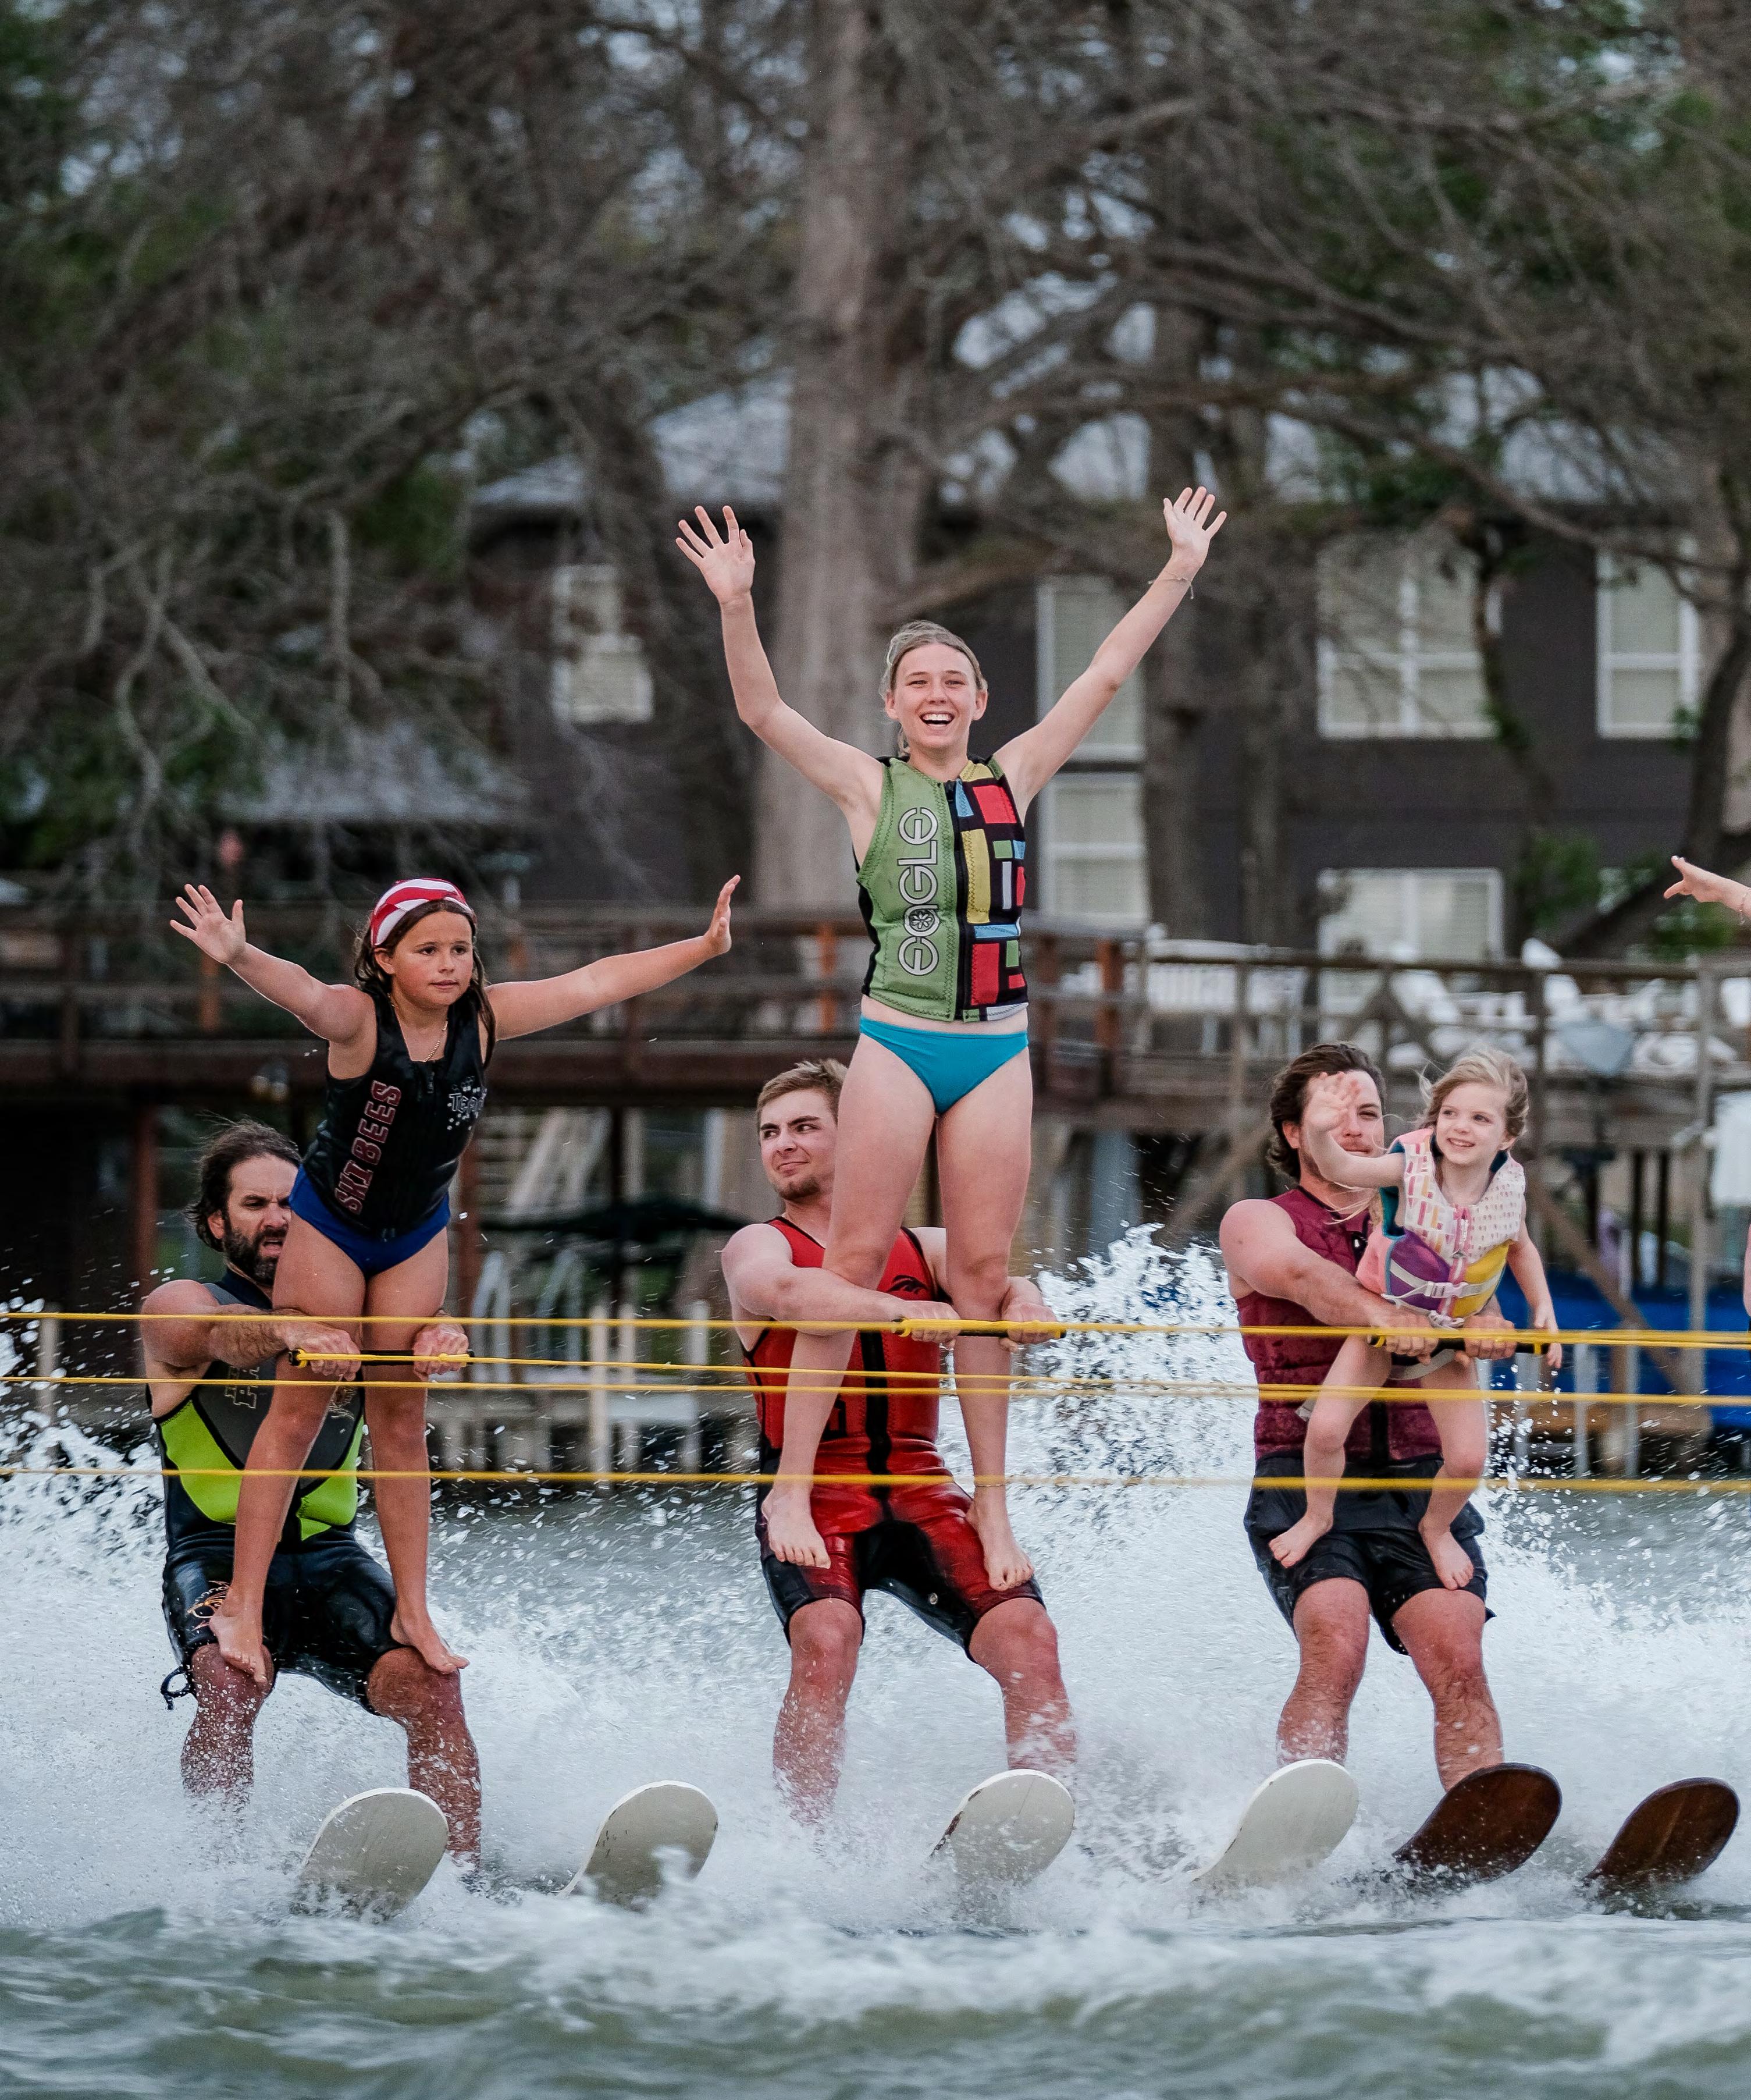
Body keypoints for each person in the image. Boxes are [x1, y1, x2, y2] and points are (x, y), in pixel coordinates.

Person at [678, 489, 1223, 1590]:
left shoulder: (1010, 777)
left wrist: (1177, 567)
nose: (937, 694)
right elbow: (763, 710)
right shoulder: (865, 786)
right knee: (850, 1263)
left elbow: (1104, 675)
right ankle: (791, 1482)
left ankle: (995, 1502)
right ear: (892, 705)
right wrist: (737, 602)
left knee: (979, 1274)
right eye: (917, 681)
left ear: (978, 699)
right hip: (898, 1040)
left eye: (953, 680)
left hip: (995, 1050)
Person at [169, 869, 737, 1686]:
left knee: (402, 1419)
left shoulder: (485, 1019)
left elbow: (595, 982)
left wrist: (703, 947)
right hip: (333, 1225)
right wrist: (238, 954)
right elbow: (303, 993)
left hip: (415, 1231)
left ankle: (412, 1608)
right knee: (300, 1409)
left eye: (461, 949)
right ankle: (246, 1604)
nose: (448, 964)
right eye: (428, 950)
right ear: (384, 958)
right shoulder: (360, 1020)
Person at [721, 1058, 1074, 1818]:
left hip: (921, 1486)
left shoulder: (928, 1248)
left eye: (804, 1127)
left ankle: (1046, 1817)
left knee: (1029, 1636)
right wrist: (893, 1310)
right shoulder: (758, 1244)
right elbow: (787, 1294)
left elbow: (995, 1282)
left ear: (857, 1138)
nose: (783, 1145)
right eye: (769, 1133)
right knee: (827, 1638)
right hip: (814, 1493)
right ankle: (801, 1839)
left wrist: (1025, 1299)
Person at [140, 1122, 482, 1859]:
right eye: (255, 1204)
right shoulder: (180, 1302)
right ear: (216, 1223)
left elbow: (412, 1361)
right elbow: (219, 1335)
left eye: (293, 1205)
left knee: (433, 1687)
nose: (278, 1220)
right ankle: (208, 1874)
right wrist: (291, 1330)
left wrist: (438, 1331)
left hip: (331, 1560)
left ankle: (462, 1882)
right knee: (228, 1683)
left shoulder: (361, 1316)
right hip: (215, 1556)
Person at [1219, 1044, 1520, 1789]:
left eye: (1369, 1113)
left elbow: (1479, 1294)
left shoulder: (1436, 1217)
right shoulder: (1256, 1219)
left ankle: (1482, 1818)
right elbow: (1302, 1278)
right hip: (1306, 1478)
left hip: (1420, 1482)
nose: (1356, 1127)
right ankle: (1298, 1807)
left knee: (1458, 1655)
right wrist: (1388, 1316)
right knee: (1337, 1644)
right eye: (1335, 1112)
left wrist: (1487, 1321)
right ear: (1294, 1132)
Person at [1269, 1049, 1562, 1589]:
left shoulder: (1506, 1188)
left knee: (1469, 1459)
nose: (1461, 1127)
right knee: (1328, 1428)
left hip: (1447, 1333)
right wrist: (1321, 1132)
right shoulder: (1410, 1165)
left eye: (1480, 1118)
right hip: (1388, 1320)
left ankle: (1436, 1526)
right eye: (1450, 1113)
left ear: (1507, 1137)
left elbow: (1520, 1247)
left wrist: (1543, 1308)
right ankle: (1317, 1516)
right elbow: (1343, 1168)